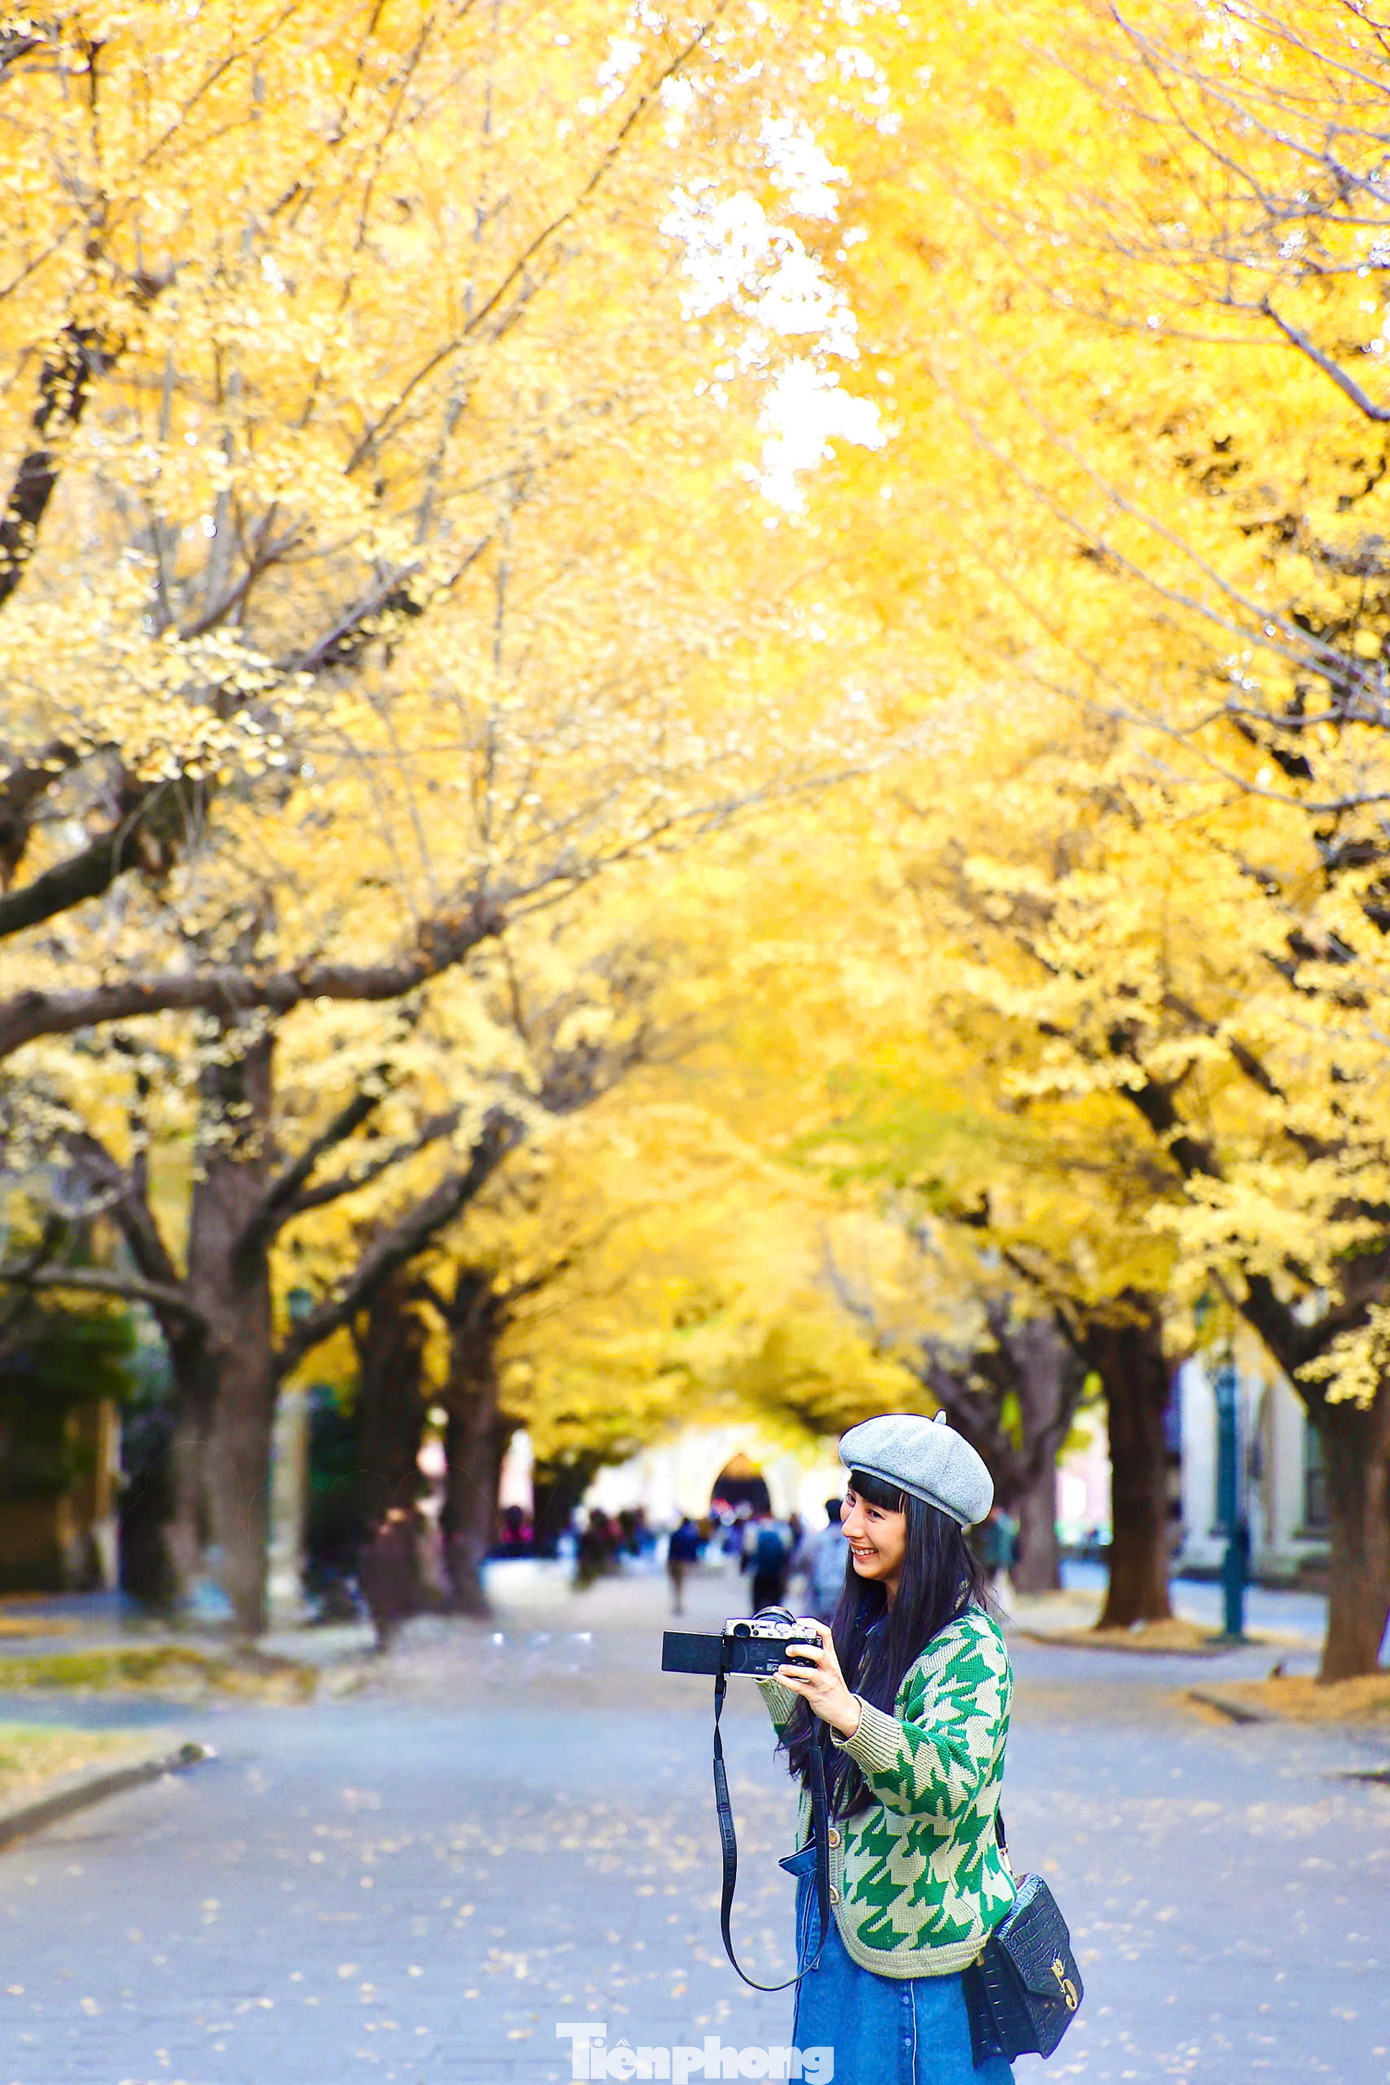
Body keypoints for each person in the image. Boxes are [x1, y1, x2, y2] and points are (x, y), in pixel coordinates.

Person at [756, 1413, 1016, 2085]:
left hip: (918, 1952)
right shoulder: (867, 1621)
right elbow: (836, 1766)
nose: (850, 1526)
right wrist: (781, 1681)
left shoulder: (970, 1647)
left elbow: (953, 1786)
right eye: (850, 1503)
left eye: (875, 1512)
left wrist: (846, 1708)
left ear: (925, 1527)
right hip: (838, 1923)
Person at [795, 1496, 849, 1624]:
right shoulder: (852, 1540)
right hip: (844, 1593)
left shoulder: (815, 1538)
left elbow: (800, 1561)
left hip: (817, 1594)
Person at [743, 1508, 791, 1612]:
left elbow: (748, 1550)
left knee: (758, 1604)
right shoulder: (782, 1529)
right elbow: (787, 1550)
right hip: (776, 1574)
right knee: (776, 1604)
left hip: (759, 1573)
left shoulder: (754, 1528)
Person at [666, 1515, 703, 1614]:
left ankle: (678, 1602)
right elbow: (694, 1549)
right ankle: (679, 1603)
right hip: (684, 1561)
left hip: (674, 1560)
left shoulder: (675, 1533)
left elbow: (671, 1548)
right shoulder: (692, 1534)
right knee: (681, 1582)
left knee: (676, 1583)